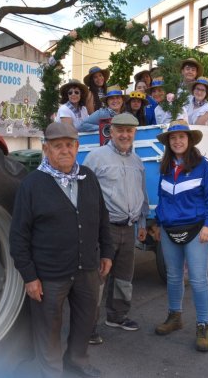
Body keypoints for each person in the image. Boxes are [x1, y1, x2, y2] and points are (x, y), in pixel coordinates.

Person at [10, 122, 113, 378]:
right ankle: (52, 371)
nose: (65, 150)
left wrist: (107, 252)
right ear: (46, 149)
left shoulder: (88, 177)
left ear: (77, 147)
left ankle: (77, 360)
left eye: (69, 144)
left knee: (86, 320)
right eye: (58, 146)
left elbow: (102, 218)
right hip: (49, 275)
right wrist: (29, 276)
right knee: (48, 328)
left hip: (87, 268)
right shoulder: (32, 184)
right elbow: (19, 235)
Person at [153, 119, 208, 353]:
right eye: (173, 138)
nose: (177, 141)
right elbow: (162, 198)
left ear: (190, 140)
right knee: (173, 276)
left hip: (197, 230)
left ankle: (203, 325)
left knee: (198, 279)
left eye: (182, 137)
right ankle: (175, 317)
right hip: (169, 229)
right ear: (168, 143)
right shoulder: (164, 167)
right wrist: (158, 222)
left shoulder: (203, 165)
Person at [83, 113, 149, 343]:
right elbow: (83, 193)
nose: (124, 134)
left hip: (128, 228)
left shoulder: (137, 161)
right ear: (111, 131)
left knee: (123, 276)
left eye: (129, 131)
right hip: (104, 229)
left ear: (134, 134)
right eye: (120, 130)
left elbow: (142, 193)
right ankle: (87, 326)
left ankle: (117, 316)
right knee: (98, 278)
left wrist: (142, 222)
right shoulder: (96, 157)